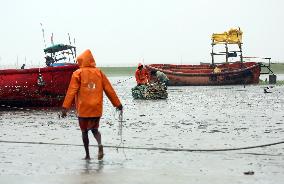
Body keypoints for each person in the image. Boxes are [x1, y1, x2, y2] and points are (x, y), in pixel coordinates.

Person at [61, 49, 123, 160]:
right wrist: (117, 104)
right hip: (96, 108)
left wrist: (65, 107)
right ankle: (99, 144)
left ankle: (88, 155)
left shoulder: (77, 73)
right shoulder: (99, 73)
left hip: (83, 109)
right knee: (95, 130)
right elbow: (109, 90)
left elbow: (72, 91)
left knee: (84, 132)